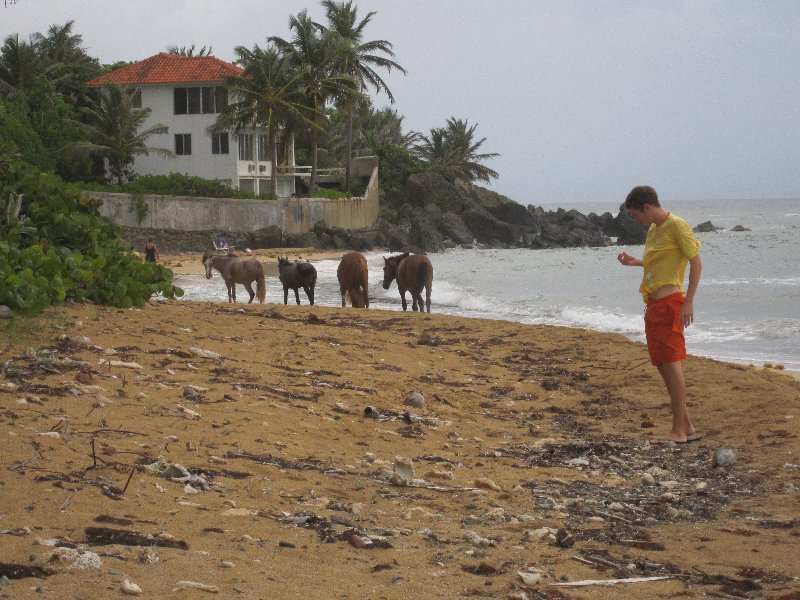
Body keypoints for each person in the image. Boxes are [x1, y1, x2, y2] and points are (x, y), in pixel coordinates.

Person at [617, 185, 702, 443]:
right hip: (653, 305)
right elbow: (660, 262)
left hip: (670, 303)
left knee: (672, 364)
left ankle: (678, 432)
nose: (635, 220)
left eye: (635, 215)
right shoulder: (653, 230)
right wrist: (636, 262)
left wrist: (688, 302)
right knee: (662, 365)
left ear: (647, 207)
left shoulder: (677, 225)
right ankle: (685, 425)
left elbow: (695, 262)